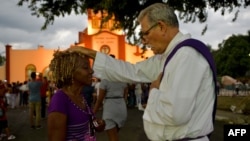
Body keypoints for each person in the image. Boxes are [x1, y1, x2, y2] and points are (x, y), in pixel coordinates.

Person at [69, 3, 216, 141]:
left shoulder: (186, 56)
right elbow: (132, 71)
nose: (144, 41)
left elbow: (176, 115)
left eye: (145, 33)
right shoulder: (169, 57)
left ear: (161, 27)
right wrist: (87, 52)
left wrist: (153, 92)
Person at [47, 50, 105, 141]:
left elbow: (89, 125)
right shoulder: (60, 101)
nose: (91, 71)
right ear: (71, 71)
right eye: (86, 67)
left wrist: (98, 124)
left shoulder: (80, 96)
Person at [93, 54, 128, 141]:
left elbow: (99, 100)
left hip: (110, 108)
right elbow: (125, 92)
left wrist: (93, 112)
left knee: (113, 138)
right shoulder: (121, 78)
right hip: (121, 107)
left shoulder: (105, 79)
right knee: (115, 135)